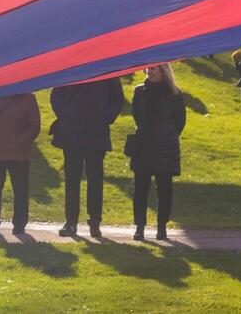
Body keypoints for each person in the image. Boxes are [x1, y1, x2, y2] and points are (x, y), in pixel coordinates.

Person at [49, 77, 124, 238]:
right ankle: (71, 221)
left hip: (95, 130)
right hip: (73, 130)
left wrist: (105, 117)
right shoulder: (73, 63)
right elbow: (56, 95)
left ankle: (94, 221)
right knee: (72, 179)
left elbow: (117, 98)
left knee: (95, 178)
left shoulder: (106, 67)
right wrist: (66, 114)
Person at [128, 63, 185, 242]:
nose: (150, 71)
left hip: (164, 145)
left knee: (164, 188)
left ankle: (162, 227)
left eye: (154, 69)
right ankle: (140, 226)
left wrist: (167, 134)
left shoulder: (174, 93)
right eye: (149, 68)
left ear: (163, 71)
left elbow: (180, 121)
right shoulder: (140, 92)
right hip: (144, 144)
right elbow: (136, 114)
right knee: (140, 188)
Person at [0, 92, 40, 236]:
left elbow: (34, 126)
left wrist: (19, 142)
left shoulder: (28, 98)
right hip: (1, 152)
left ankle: (18, 224)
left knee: (19, 190)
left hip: (16, 154)